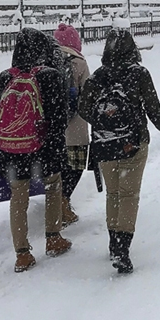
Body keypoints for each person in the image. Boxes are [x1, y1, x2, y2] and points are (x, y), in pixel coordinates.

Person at [78, 28, 160, 274]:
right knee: (129, 195)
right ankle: (122, 248)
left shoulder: (98, 76)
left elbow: (83, 108)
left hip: (104, 144)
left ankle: (112, 242)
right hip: (133, 143)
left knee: (114, 194)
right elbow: (152, 104)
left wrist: (103, 119)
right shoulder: (139, 73)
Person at [0, 27, 72, 273]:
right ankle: (53, 238)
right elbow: (59, 116)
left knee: (18, 198)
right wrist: (45, 136)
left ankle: (22, 254)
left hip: (12, 150)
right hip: (44, 148)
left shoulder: (6, 76)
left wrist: (15, 129)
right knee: (54, 186)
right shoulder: (50, 75)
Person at [53, 23, 91, 229]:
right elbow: (89, 94)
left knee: (56, 167)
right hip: (75, 127)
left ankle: (56, 202)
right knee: (75, 166)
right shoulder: (79, 62)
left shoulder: (47, 60)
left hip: (53, 128)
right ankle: (64, 201)